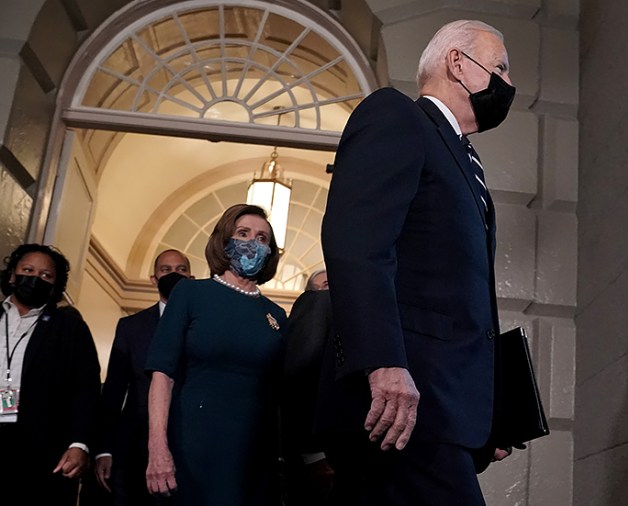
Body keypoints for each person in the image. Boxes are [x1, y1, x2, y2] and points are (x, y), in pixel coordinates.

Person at [318, 19, 515, 505]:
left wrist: (490, 412)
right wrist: (382, 362)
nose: (510, 85)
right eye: (501, 67)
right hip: (401, 407)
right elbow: (357, 243)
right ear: (457, 64)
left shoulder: (465, 161)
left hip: (444, 414)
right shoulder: (397, 116)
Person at [145, 204, 286, 505]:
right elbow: (162, 374)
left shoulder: (276, 315)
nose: (252, 242)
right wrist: (157, 448)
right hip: (191, 448)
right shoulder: (190, 294)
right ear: (224, 240)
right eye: (243, 233)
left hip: (253, 457)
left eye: (262, 238)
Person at [0, 244, 102, 505]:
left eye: (46, 275)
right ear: (12, 275)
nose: (35, 278)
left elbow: (86, 388)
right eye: (28, 270)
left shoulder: (69, 327)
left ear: (56, 285)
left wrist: (80, 444)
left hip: (42, 450)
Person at [92, 249, 192, 505]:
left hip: (189, 444)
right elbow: (113, 392)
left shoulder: (203, 326)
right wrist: (104, 448)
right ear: (153, 279)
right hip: (134, 447)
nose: (174, 275)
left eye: (181, 270)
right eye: (166, 270)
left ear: (191, 277)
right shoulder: (131, 327)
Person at [281, 269, 333, 505]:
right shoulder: (317, 305)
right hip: (317, 453)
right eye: (326, 284)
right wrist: (314, 454)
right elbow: (299, 380)